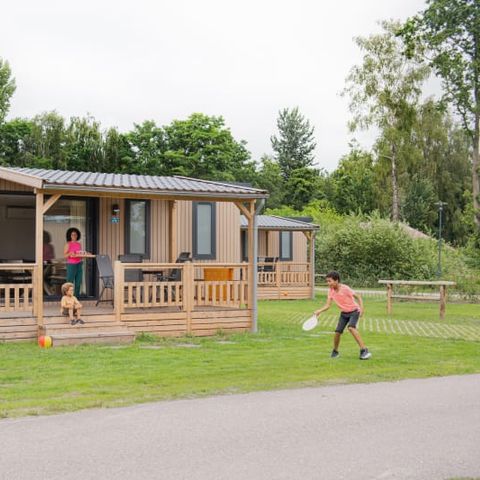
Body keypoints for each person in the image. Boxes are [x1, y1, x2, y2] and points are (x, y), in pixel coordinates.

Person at [314, 271, 371, 360]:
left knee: (351, 328)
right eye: (327, 281)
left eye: (329, 281)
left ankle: (364, 350)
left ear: (336, 280)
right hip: (344, 313)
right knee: (337, 332)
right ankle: (335, 351)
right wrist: (319, 311)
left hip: (354, 311)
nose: (328, 283)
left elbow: (358, 296)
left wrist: (362, 309)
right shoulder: (330, 291)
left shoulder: (345, 288)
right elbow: (328, 305)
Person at [64, 227, 90, 298]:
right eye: (72, 235)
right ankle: (68, 298)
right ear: (70, 236)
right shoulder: (68, 244)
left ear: (77, 235)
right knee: (69, 282)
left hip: (79, 264)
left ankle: (76, 298)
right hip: (71, 265)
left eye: (75, 235)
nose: (74, 236)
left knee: (78, 282)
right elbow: (65, 255)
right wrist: (70, 253)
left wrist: (86, 254)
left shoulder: (79, 244)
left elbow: (79, 254)